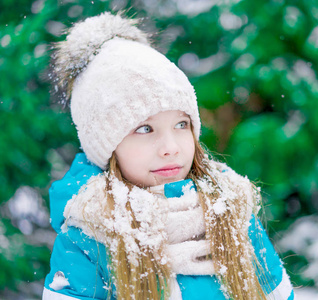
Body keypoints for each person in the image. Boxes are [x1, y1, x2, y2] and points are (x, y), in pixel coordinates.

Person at [43, 12, 294, 300]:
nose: (171, 147)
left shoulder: (231, 209)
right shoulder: (90, 234)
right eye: (145, 128)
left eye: (181, 125)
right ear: (106, 146)